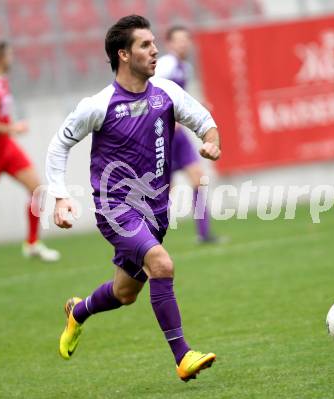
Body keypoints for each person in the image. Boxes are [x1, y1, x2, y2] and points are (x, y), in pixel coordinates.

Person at [46, 15, 221, 382]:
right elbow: (60, 144)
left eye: (154, 43)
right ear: (123, 55)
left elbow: (203, 118)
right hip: (116, 208)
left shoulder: (166, 92)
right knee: (162, 264)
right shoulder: (99, 104)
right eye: (145, 45)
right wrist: (60, 197)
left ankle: (78, 312)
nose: (155, 50)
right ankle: (183, 356)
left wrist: (211, 140)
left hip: (155, 212)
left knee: (125, 293)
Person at [0, 41, 60, 262]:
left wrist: (8, 129)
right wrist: (11, 128)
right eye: (9, 54)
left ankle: (32, 243)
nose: (11, 58)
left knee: (37, 188)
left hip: (6, 148)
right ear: (0, 57)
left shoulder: (0, 82)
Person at [155, 26, 220, 243]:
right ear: (169, 44)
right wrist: (166, 119)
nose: (183, 44)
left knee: (198, 179)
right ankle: (146, 239)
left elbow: (180, 99)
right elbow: (154, 92)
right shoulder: (166, 65)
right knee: (164, 192)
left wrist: (197, 107)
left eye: (186, 40)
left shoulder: (186, 68)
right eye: (178, 40)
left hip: (179, 136)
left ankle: (204, 234)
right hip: (163, 137)